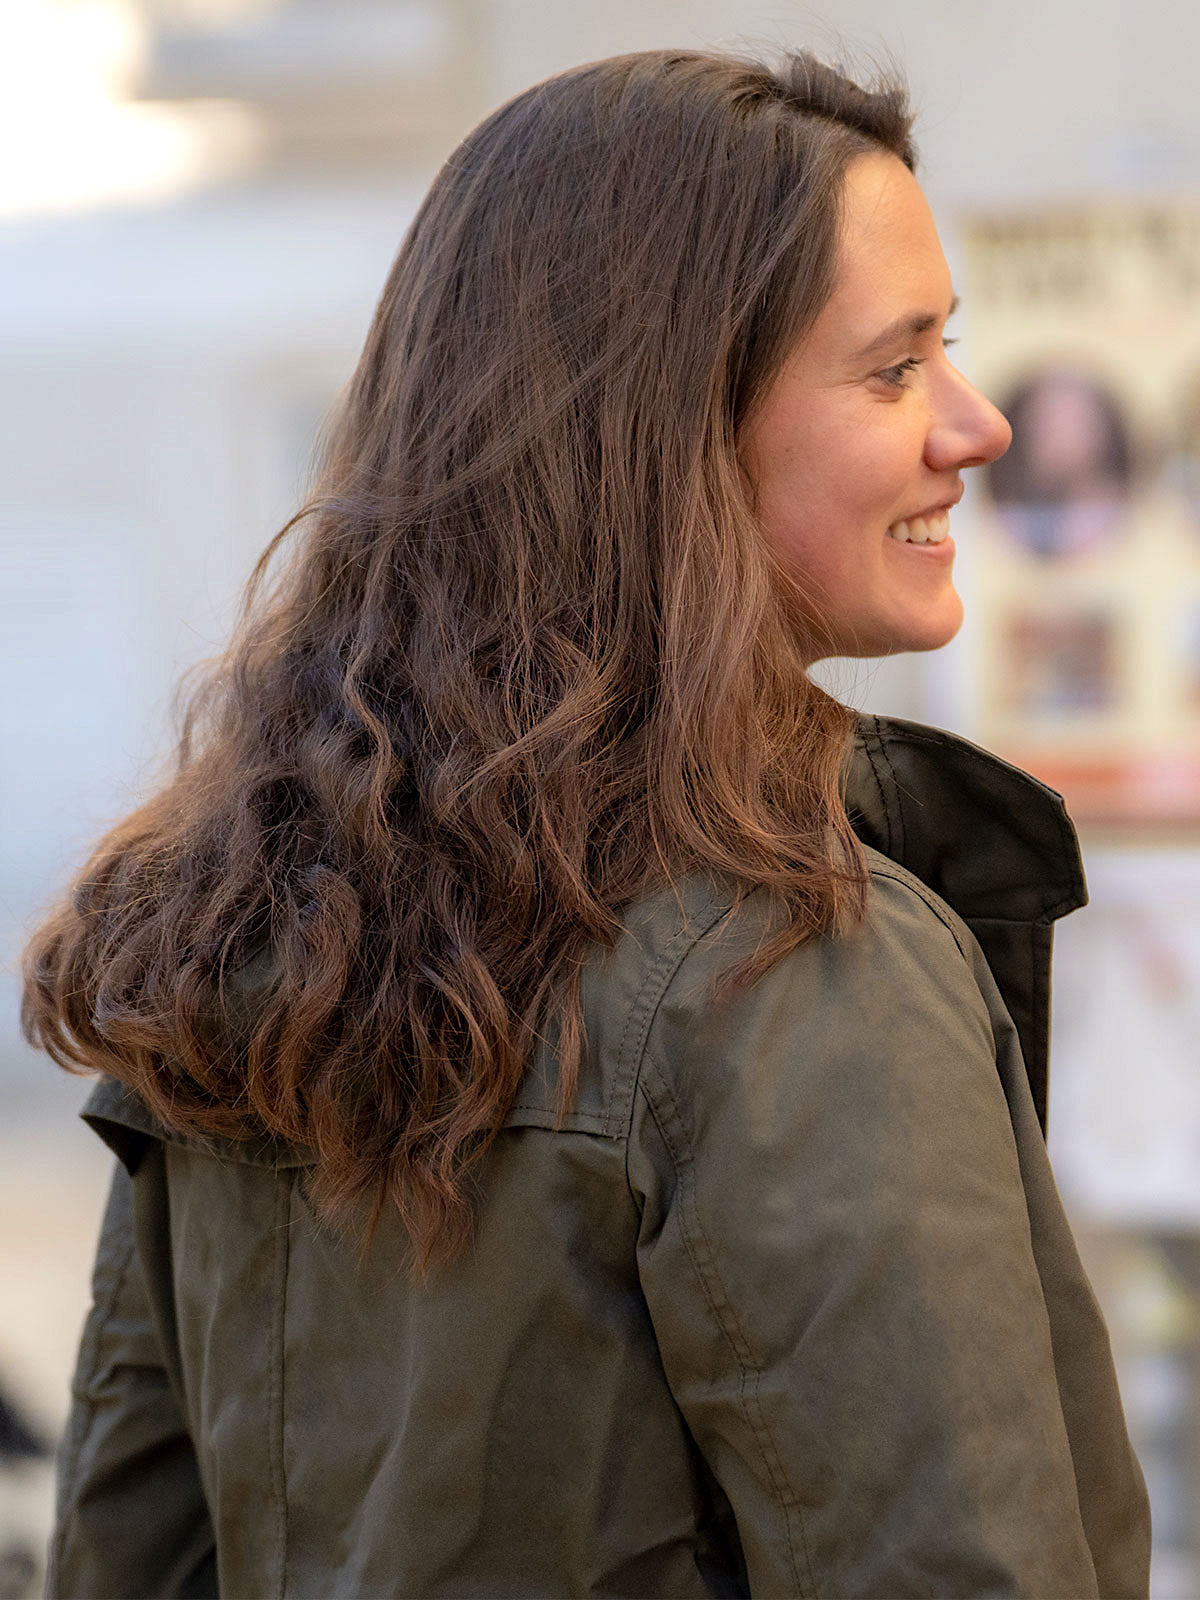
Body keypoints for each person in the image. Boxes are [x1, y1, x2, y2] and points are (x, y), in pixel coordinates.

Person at [23, 48, 1151, 1599]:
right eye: (894, 370)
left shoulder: (253, 941)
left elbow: (126, 1558)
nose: (978, 426)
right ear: (669, 431)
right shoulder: (789, 972)